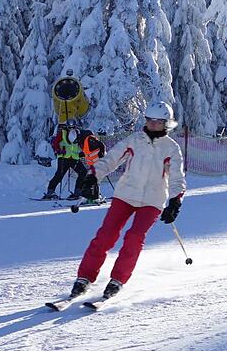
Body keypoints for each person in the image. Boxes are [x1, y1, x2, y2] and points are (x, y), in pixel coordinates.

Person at [68, 101, 186, 301]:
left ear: (166, 123)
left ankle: (117, 280)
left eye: (158, 121)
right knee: (105, 235)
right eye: (150, 120)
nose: (153, 124)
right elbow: (111, 159)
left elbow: (176, 177)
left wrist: (175, 201)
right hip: (125, 195)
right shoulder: (134, 140)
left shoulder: (171, 149)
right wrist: (93, 176)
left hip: (152, 200)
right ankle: (84, 278)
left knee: (134, 238)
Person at [42, 119, 88, 200]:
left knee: (83, 172)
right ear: (67, 126)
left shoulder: (78, 133)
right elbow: (55, 143)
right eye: (69, 127)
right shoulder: (62, 133)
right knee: (59, 175)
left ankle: (78, 192)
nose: (71, 128)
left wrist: (82, 152)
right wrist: (58, 150)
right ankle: (50, 192)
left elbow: (80, 144)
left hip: (74, 157)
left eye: (72, 127)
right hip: (64, 158)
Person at [77, 127, 106, 202]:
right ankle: (94, 196)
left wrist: (101, 154)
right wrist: (82, 154)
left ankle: (94, 197)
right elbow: (89, 151)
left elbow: (101, 145)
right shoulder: (87, 141)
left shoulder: (89, 139)